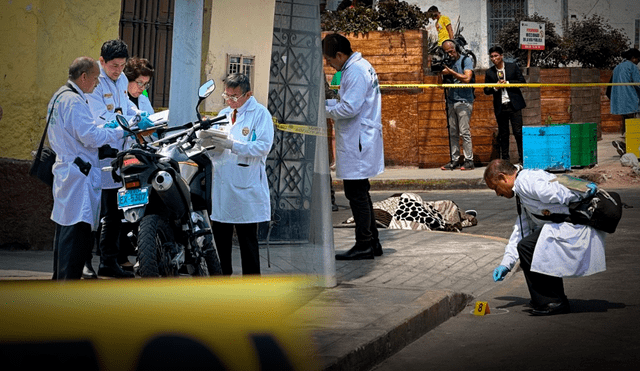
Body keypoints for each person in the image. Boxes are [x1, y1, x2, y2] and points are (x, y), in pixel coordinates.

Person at [485, 159, 606, 316]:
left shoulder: (527, 182)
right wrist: (506, 264)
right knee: (528, 244)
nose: (498, 194)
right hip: (559, 227)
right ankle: (548, 298)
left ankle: (552, 301)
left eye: (495, 187)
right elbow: (521, 230)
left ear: (503, 177)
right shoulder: (522, 189)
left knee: (528, 246)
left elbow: (557, 192)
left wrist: (583, 191)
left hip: (572, 226)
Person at [48, 57, 126, 280]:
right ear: (83, 77)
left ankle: (60, 281)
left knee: (65, 229)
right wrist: (118, 131)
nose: (96, 84)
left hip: (68, 170)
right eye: (94, 79)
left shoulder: (60, 96)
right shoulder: (73, 101)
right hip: (78, 174)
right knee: (76, 233)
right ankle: (67, 286)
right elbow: (90, 136)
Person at [201, 73, 274, 275]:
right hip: (223, 184)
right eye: (227, 95)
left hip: (246, 187)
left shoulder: (260, 114)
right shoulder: (224, 113)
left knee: (247, 240)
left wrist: (233, 145)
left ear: (248, 94)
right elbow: (215, 142)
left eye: (235, 97)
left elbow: (263, 147)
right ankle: (222, 280)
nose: (230, 100)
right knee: (221, 238)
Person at [322, 33, 384, 260]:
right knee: (361, 192)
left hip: (358, 138)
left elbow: (349, 108)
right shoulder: (360, 66)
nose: (330, 65)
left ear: (339, 55)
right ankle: (373, 242)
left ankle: (364, 244)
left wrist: (323, 111)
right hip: (360, 136)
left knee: (356, 193)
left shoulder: (355, 71)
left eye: (330, 60)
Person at [87, 39, 140, 278]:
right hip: (98, 156)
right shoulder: (94, 83)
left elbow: (126, 107)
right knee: (94, 212)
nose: (118, 70)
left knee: (114, 211)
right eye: (113, 66)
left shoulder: (121, 82)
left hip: (118, 156)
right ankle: (86, 261)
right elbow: (101, 118)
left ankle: (108, 261)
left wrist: (141, 116)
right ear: (102, 62)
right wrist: (128, 123)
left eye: (121, 65)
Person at [117, 56, 155, 270]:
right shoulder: (120, 97)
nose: (141, 88)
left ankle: (139, 253)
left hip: (142, 158)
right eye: (138, 83)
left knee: (138, 207)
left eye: (145, 84)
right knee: (119, 211)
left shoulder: (143, 99)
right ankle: (118, 256)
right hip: (122, 158)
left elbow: (150, 119)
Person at [484, 46, 526, 164]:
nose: (494, 58)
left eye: (496, 56)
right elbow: (486, 90)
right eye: (492, 56)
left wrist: (508, 83)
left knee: (518, 132)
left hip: (514, 105)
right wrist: (495, 87)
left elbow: (522, 82)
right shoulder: (489, 72)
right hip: (500, 106)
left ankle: (522, 160)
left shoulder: (512, 67)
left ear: (501, 56)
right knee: (503, 134)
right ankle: (506, 161)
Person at [440, 39, 475, 171]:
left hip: (464, 101)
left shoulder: (466, 60)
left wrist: (451, 72)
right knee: (453, 132)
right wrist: (440, 71)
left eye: (451, 51)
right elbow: (440, 84)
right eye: (447, 52)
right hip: (451, 100)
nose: (450, 54)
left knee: (464, 132)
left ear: (456, 49)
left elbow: (467, 78)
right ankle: (454, 160)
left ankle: (469, 160)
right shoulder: (446, 62)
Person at [610, 48, 640, 134]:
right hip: (630, 99)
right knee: (634, 123)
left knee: (625, 122)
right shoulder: (632, 67)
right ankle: (633, 143)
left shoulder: (617, 67)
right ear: (633, 58)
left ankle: (625, 140)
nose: (638, 62)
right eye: (638, 59)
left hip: (619, 101)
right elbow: (637, 83)